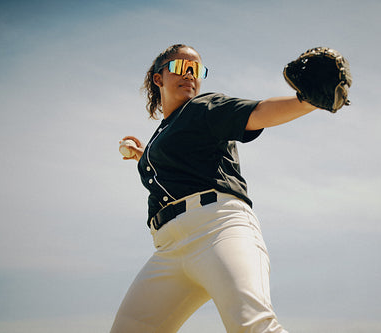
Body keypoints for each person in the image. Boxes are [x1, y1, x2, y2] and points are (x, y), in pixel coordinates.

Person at [111, 44, 316, 333]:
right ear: (159, 78)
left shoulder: (203, 108)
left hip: (218, 228)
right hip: (168, 248)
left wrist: (307, 101)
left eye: (196, 70)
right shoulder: (165, 133)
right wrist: (143, 153)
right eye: (181, 67)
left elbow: (257, 112)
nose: (190, 75)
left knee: (251, 324)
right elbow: (177, 162)